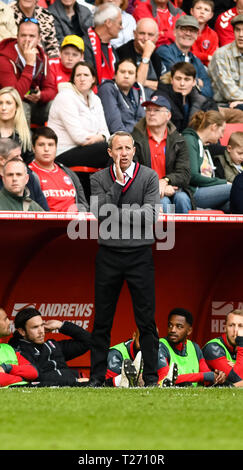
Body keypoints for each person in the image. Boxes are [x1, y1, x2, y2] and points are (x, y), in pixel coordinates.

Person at [84, 131, 160, 388]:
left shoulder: (149, 176)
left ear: (135, 150)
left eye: (128, 148)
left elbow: (150, 216)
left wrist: (114, 209)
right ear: (110, 152)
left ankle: (151, 378)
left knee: (146, 320)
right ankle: (96, 377)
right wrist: (116, 185)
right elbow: (100, 215)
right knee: (103, 320)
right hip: (109, 256)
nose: (124, 153)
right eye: (119, 148)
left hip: (140, 255)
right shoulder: (98, 178)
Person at [132, 95, 193, 213]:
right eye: (148, 110)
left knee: (183, 199)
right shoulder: (134, 139)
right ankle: (167, 232)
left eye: (156, 110)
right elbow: (132, 172)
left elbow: (184, 173)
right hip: (144, 190)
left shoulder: (179, 140)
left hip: (172, 187)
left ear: (168, 116)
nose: (151, 113)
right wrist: (156, 186)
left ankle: (186, 232)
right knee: (164, 202)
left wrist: (165, 181)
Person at [9, 307, 92, 386]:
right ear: (22, 331)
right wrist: (74, 381)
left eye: (42, 325)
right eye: (35, 327)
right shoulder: (19, 351)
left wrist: (61, 325)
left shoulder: (51, 346)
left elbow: (88, 341)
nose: (41, 331)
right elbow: (37, 377)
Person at [0, 19, 56, 126]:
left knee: (56, 104)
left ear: (39, 38)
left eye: (31, 36)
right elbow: (14, 95)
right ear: (17, 36)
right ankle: (23, 143)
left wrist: (40, 96)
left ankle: (51, 141)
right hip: (6, 107)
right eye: (23, 35)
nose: (27, 40)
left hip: (34, 104)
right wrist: (29, 64)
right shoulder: (4, 59)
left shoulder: (42, 56)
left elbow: (51, 89)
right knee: (22, 108)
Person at [158, 308, 226, 387]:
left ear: (189, 331)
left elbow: (206, 375)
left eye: (179, 327)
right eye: (170, 325)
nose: (173, 330)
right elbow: (165, 380)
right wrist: (207, 376)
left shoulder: (194, 347)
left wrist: (218, 376)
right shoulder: (160, 345)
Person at [182, 110, 232, 212]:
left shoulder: (202, 144)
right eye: (222, 131)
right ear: (213, 127)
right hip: (194, 192)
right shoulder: (190, 140)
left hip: (203, 190)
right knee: (237, 188)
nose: (222, 136)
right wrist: (224, 183)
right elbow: (193, 176)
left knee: (233, 204)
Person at [30, 126, 88, 212]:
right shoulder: (27, 174)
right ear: (33, 148)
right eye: (41, 145)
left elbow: (83, 204)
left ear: (56, 147)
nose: (46, 149)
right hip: (45, 223)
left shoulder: (68, 173)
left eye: (50, 145)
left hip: (73, 223)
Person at [156, 15, 213, 98]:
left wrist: (191, 85)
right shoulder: (165, 51)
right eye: (183, 29)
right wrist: (197, 82)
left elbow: (210, 91)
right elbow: (176, 77)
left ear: (197, 35)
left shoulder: (195, 60)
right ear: (175, 31)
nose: (188, 33)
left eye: (192, 30)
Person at [157, 62, 218, 133]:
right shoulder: (162, 98)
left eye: (187, 79)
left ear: (194, 82)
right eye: (178, 79)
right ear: (172, 80)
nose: (182, 84)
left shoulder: (203, 101)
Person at [117, 18, 164, 99]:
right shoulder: (122, 52)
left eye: (150, 35)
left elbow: (163, 86)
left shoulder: (156, 56)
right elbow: (138, 85)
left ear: (157, 37)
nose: (146, 38)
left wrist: (144, 82)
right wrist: (146, 54)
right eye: (142, 33)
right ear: (134, 34)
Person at [98, 58, 145, 134]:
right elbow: (115, 127)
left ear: (136, 78)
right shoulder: (107, 89)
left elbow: (142, 119)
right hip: (119, 140)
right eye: (122, 72)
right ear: (115, 75)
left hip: (138, 139)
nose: (126, 76)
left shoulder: (137, 90)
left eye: (131, 73)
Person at [0, 138, 49, 210]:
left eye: (19, 175)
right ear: (1, 160)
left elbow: (44, 211)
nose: (21, 159)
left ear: (26, 178)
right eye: (16, 157)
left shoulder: (28, 174)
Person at [208, 14, 243, 109]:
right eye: (237, 30)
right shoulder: (221, 54)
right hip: (224, 106)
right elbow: (229, 91)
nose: (241, 35)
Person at [83, 3, 122, 84]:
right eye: (120, 23)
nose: (121, 27)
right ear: (108, 23)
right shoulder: (84, 45)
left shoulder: (112, 49)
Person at [0, 307, 38, 388]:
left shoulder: (8, 348)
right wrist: (22, 379)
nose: (9, 322)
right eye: (5, 319)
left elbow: (33, 372)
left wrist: (8, 368)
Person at [202, 309, 243, 384]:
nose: (236, 330)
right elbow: (236, 379)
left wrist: (237, 366)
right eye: (231, 325)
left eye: (241, 326)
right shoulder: (213, 347)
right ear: (225, 328)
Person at [0, 87, 33, 164]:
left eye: (8, 103)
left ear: (16, 107)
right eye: (0, 103)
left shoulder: (26, 135)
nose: (3, 108)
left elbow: (29, 166)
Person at [190, 0, 219, 66]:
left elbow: (212, 57)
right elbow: (187, 52)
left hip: (206, 68)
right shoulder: (186, 30)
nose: (202, 12)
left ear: (211, 15)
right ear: (192, 11)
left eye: (206, 10)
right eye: (198, 8)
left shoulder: (213, 35)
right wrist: (206, 57)